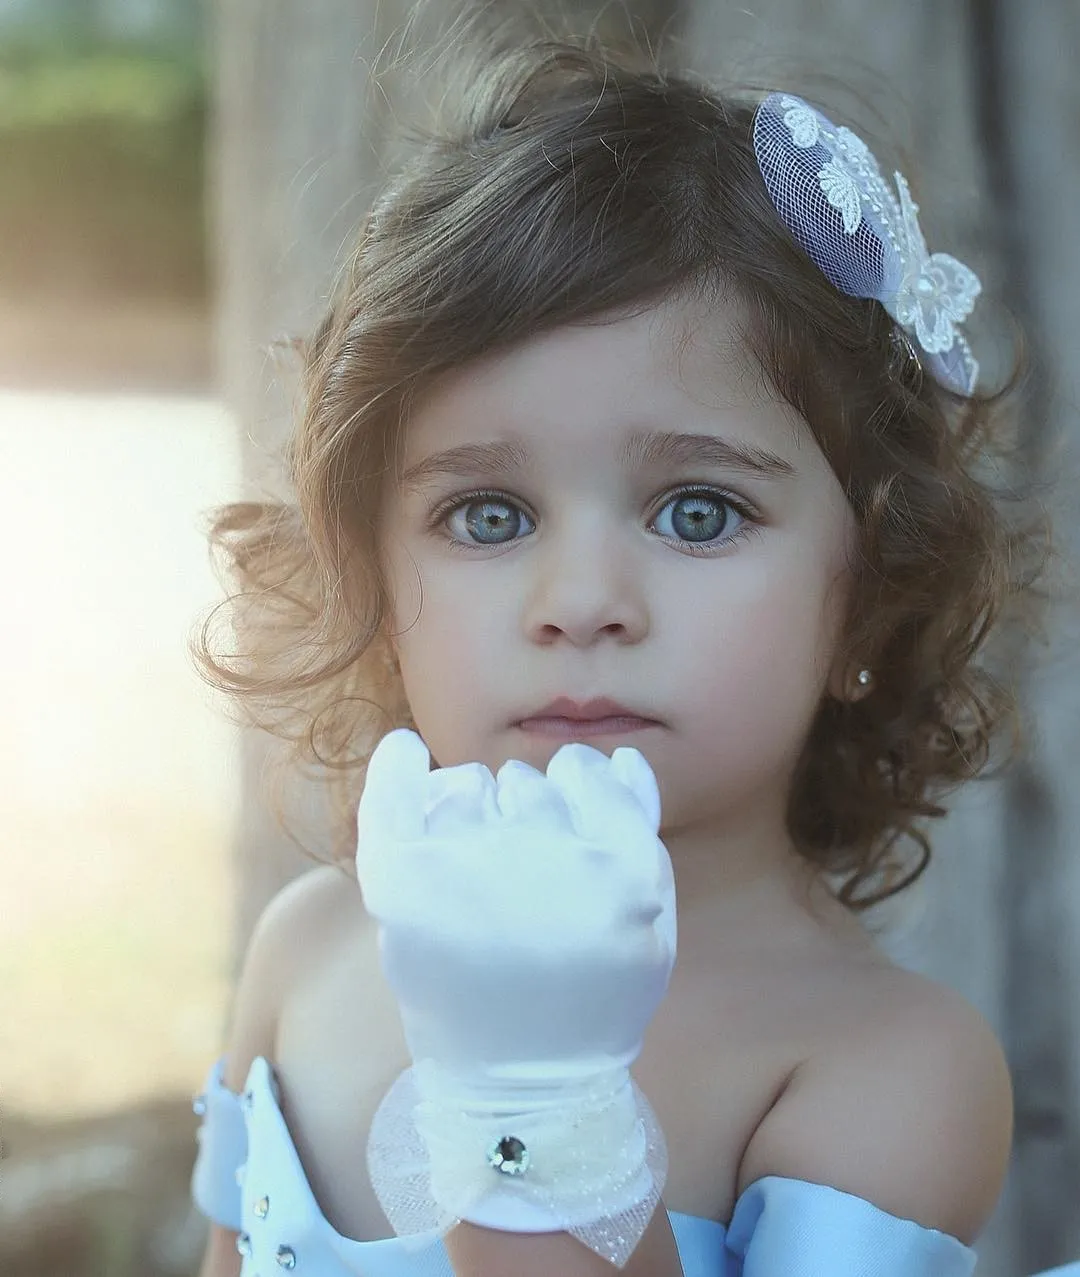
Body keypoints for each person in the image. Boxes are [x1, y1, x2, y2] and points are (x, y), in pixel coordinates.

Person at [187, 14, 1060, 1277]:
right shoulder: (311, 941)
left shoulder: (885, 1061)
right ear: (372, 583)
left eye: (698, 512)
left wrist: (535, 1098)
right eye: (486, 515)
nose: (581, 599)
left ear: (866, 592)